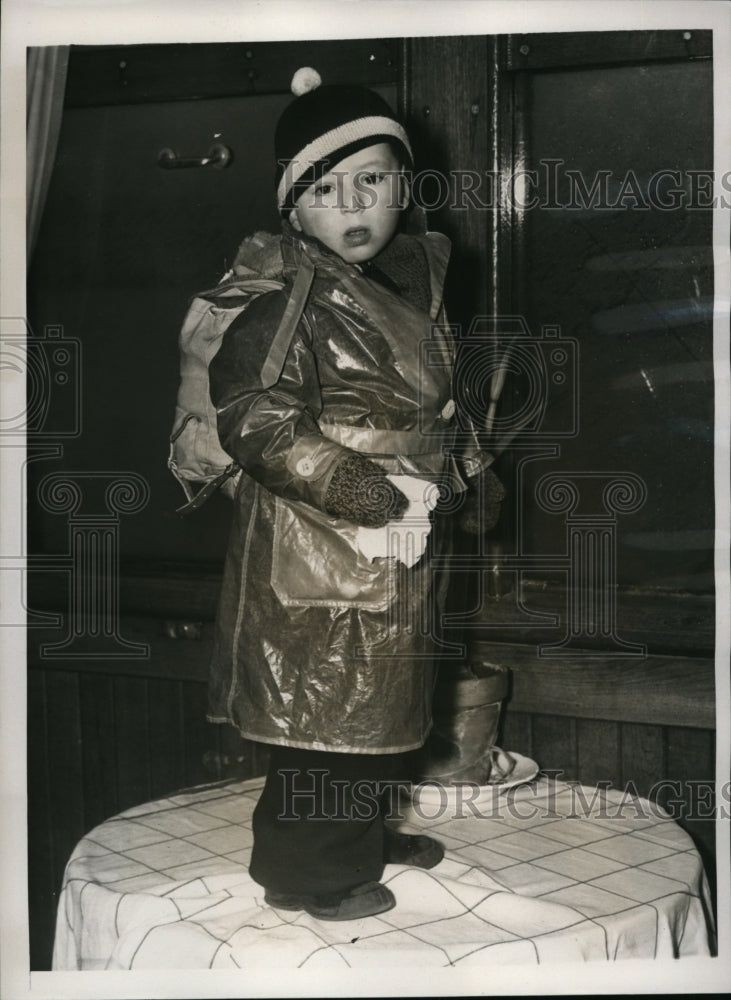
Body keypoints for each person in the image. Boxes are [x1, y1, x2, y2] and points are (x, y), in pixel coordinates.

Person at [207, 68, 503, 921]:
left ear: (404, 186)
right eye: (326, 189)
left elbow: (438, 405)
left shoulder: (417, 280)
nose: (353, 204)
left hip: (403, 534)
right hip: (324, 536)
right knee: (321, 724)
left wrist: (471, 474)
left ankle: (362, 832)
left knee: (382, 707)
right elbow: (252, 415)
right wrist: (359, 486)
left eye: (372, 178)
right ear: (292, 210)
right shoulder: (289, 299)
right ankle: (308, 871)